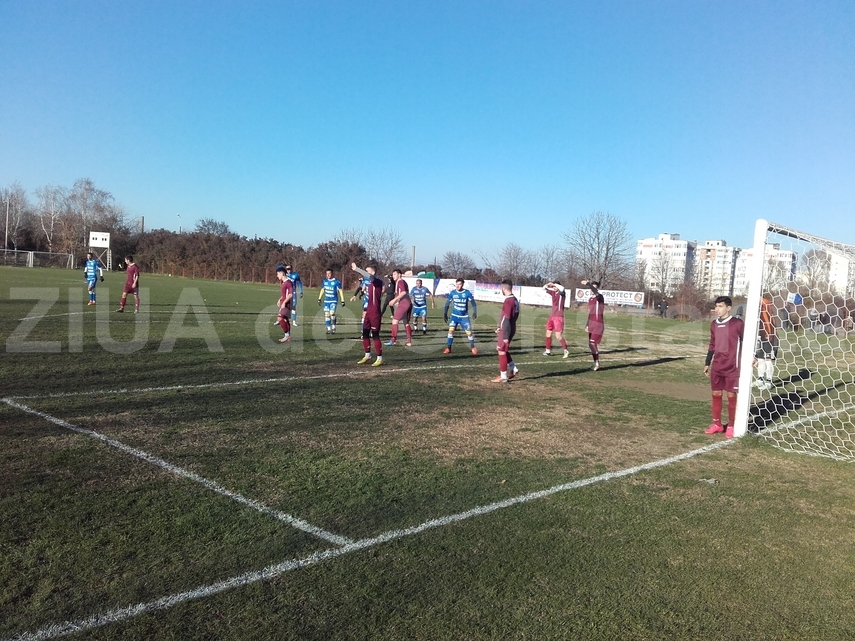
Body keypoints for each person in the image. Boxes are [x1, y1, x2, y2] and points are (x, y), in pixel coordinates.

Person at [703, 296, 745, 439]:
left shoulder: (737, 323)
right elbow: (712, 344)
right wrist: (707, 362)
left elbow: (746, 341)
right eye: (716, 306)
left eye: (720, 306)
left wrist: (753, 357)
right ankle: (717, 424)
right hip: (717, 366)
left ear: (728, 308)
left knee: (731, 395)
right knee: (716, 394)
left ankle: (732, 425)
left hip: (733, 366)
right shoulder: (714, 324)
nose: (717, 309)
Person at [351, 262, 385, 366]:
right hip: (368, 312)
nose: (366, 273)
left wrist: (357, 269)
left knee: (375, 335)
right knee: (365, 333)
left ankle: (380, 358)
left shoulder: (377, 281)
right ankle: (367, 355)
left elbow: (372, 279)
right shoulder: (369, 284)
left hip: (375, 313)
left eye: (368, 271)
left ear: (373, 272)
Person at [493, 279, 520, 382]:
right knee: (501, 349)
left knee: (502, 351)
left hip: (507, 329)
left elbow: (507, 318)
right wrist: (500, 327)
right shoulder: (515, 300)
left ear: (503, 288)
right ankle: (513, 368)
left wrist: (505, 335)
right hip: (509, 327)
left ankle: (503, 376)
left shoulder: (508, 301)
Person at [443, 278, 478, 355]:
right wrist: (445, 313)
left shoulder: (467, 293)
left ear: (462, 285)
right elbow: (447, 304)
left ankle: (473, 347)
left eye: (460, 284)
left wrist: (475, 312)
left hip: (464, 317)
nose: (458, 286)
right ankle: (449, 348)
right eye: (457, 284)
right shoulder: (452, 293)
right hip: (454, 316)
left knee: (469, 333)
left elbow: (473, 303)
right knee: (451, 331)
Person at [753, 294, 778, 390]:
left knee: (768, 359)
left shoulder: (765, 304)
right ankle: (760, 379)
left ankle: (769, 381)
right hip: (761, 335)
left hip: (769, 335)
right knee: (760, 358)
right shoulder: (760, 305)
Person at [385, 269, 413, 347]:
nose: (393, 276)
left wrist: (394, 300)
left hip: (404, 304)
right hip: (407, 303)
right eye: (393, 274)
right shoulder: (402, 282)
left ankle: (393, 340)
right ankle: (409, 341)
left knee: (394, 321)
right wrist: (398, 301)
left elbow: (403, 292)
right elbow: (404, 293)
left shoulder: (400, 282)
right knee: (406, 322)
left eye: (394, 274)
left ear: (399, 274)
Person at [542, 281, 570, 358]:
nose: (554, 288)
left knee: (558, 336)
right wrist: (548, 284)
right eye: (553, 287)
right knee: (548, 333)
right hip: (552, 316)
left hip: (558, 317)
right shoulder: (553, 293)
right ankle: (548, 351)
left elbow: (563, 288)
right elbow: (543, 288)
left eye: (555, 286)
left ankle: (565, 350)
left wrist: (554, 284)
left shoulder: (562, 294)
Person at [581, 279, 605, 370]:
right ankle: (595, 363)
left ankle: (597, 363)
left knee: (592, 343)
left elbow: (595, 292)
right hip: (591, 324)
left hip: (598, 324)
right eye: (591, 288)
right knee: (591, 345)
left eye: (594, 288)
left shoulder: (600, 297)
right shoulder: (590, 299)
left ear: (597, 289)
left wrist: (588, 284)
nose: (592, 290)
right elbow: (590, 313)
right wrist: (587, 325)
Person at [318, 269, 345, 334]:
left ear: (332, 274)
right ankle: (329, 329)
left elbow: (340, 291)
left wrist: (342, 300)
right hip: (326, 300)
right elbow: (322, 290)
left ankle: (333, 326)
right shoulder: (324, 281)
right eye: (327, 273)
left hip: (334, 300)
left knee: (332, 313)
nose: (328, 275)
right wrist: (319, 298)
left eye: (329, 273)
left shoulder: (336, 282)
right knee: (327, 314)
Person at [275, 264, 294, 342]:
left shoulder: (288, 282)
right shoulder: (283, 283)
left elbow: (290, 294)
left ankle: (286, 335)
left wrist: (284, 302)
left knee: (280, 318)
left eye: (278, 274)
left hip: (287, 304)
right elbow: (284, 294)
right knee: (285, 319)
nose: (277, 276)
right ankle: (288, 337)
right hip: (284, 303)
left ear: (282, 273)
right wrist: (280, 299)